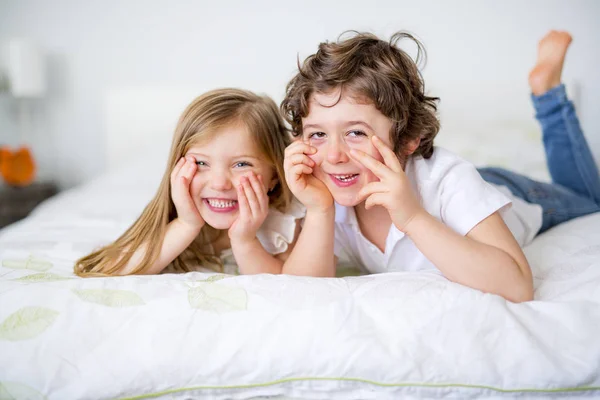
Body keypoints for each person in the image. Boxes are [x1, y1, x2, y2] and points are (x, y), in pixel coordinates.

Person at [281, 30, 599, 302]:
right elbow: (303, 290)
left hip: (513, 193)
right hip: (460, 188)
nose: (334, 155)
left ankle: (549, 98)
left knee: (591, 200)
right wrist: (320, 211)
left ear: (408, 139)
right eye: (318, 134)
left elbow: (517, 286)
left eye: (355, 133)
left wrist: (415, 219)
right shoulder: (330, 191)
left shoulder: (450, 180)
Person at [75, 88, 332, 277]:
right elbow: (110, 271)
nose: (219, 183)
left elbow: (292, 288)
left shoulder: (284, 222)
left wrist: (245, 240)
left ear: (275, 175)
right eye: (200, 163)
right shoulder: (177, 219)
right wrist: (187, 224)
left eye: (241, 164)